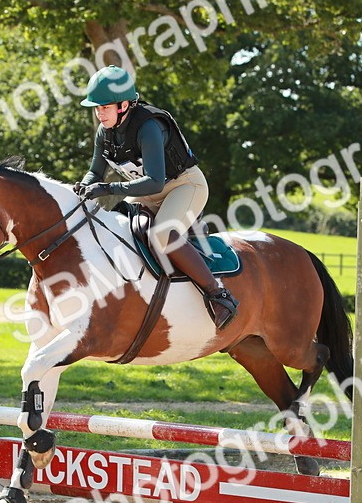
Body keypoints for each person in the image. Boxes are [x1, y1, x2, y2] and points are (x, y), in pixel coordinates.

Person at [74, 65, 239, 329]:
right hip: (146, 194)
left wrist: (108, 189)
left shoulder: (148, 126)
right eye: (96, 107)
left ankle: (218, 295)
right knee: (114, 229)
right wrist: (81, 189)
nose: (99, 113)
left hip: (184, 186)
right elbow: (95, 171)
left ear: (124, 104)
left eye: (104, 107)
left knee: (160, 234)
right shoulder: (104, 133)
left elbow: (154, 181)